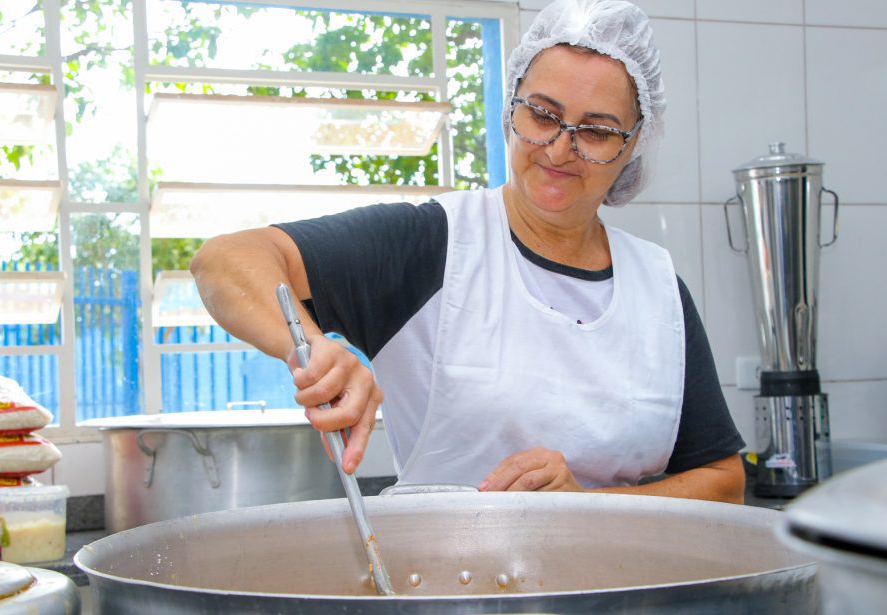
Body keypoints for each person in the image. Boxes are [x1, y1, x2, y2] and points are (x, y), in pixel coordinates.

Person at [190, 0, 746, 503]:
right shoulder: (434, 244)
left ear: (633, 147)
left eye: (596, 131)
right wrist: (310, 347)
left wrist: (590, 509)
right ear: (511, 108)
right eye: (543, 115)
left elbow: (723, 480)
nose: (558, 149)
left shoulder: (658, 289)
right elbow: (224, 260)